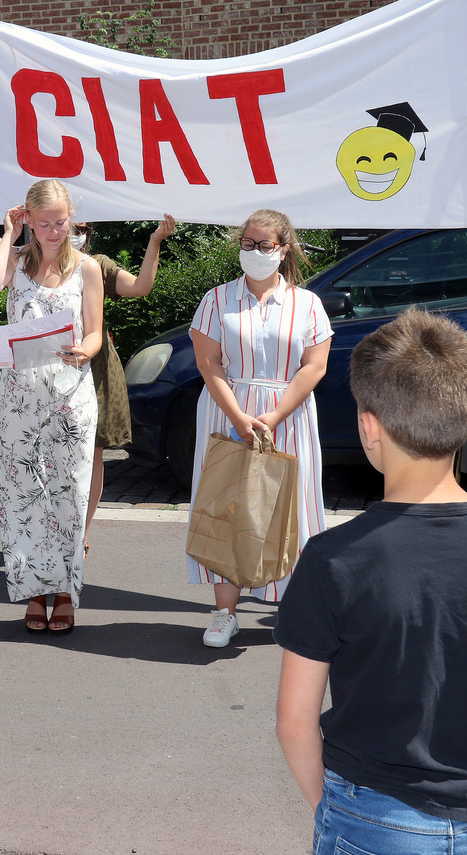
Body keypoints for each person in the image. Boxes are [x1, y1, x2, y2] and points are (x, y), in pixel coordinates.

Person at [274, 309, 467, 854]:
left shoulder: (332, 558)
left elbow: (294, 722)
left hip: (369, 813)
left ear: (367, 425)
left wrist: (332, 807)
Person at [0, 215, 175, 555]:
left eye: (81, 229)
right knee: (39, 455)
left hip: (91, 367)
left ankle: (80, 532)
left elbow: (140, 288)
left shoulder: (95, 265)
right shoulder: (24, 257)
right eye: (69, 226)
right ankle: (45, 533)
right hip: (36, 375)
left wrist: (155, 241)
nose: (72, 233)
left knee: (90, 454)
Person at [186, 209, 331, 648]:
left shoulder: (307, 303)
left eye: (264, 245)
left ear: (283, 249)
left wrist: (273, 416)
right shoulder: (216, 299)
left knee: (295, 510)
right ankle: (224, 613)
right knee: (227, 508)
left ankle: (298, 611)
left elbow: (315, 366)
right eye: (247, 243)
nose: (254, 251)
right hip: (228, 412)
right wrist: (238, 417)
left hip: (287, 416)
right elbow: (208, 363)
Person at [0, 179, 103, 634]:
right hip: (19, 398)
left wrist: (85, 352)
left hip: (70, 395)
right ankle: (33, 591)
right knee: (23, 495)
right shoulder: (14, 261)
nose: (53, 231)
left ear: (72, 218)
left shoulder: (87, 267)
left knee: (69, 493)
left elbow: (94, 331)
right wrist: (9, 235)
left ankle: (67, 592)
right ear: (28, 219)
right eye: (43, 223)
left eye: (60, 222)